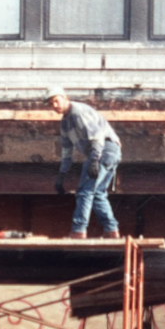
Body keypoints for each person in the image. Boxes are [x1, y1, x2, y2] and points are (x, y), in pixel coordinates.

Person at [46, 86, 123, 240]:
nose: (54, 105)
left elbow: (97, 137)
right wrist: (62, 174)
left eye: (56, 100)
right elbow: (67, 151)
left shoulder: (78, 112)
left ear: (65, 98)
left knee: (84, 191)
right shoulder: (65, 123)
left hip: (104, 149)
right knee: (98, 192)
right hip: (107, 151)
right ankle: (111, 230)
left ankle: (78, 231)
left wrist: (94, 159)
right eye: (51, 103)